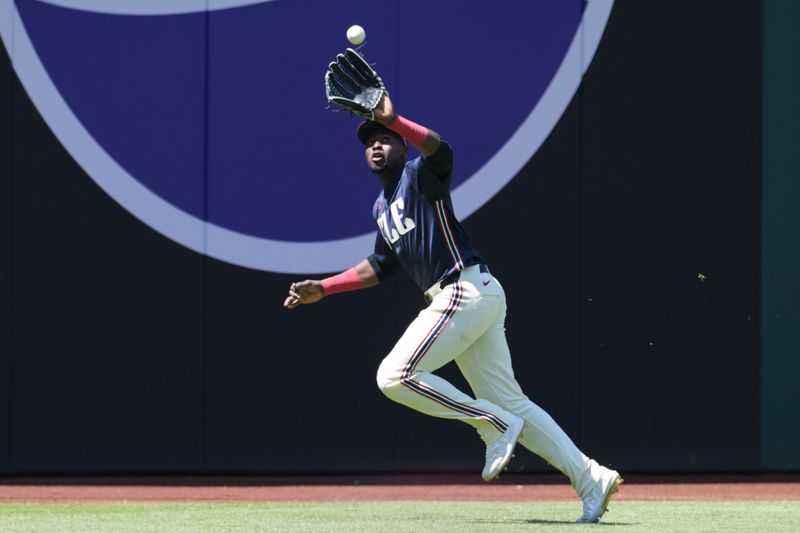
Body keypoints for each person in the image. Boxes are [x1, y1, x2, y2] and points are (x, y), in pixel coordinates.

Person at [283, 93, 622, 523]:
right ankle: (591, 478)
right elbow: (382, 264)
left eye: (385, 138)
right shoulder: (381, 208)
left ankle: (490, 423)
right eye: (369, 139)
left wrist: (398, 120)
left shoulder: (420, 176)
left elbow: (442, 151)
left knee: (394, 375)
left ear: (403, 147)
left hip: (462, 288)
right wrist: (325, 288)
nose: (376, 144)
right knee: (512, 402)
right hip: (472, 296)